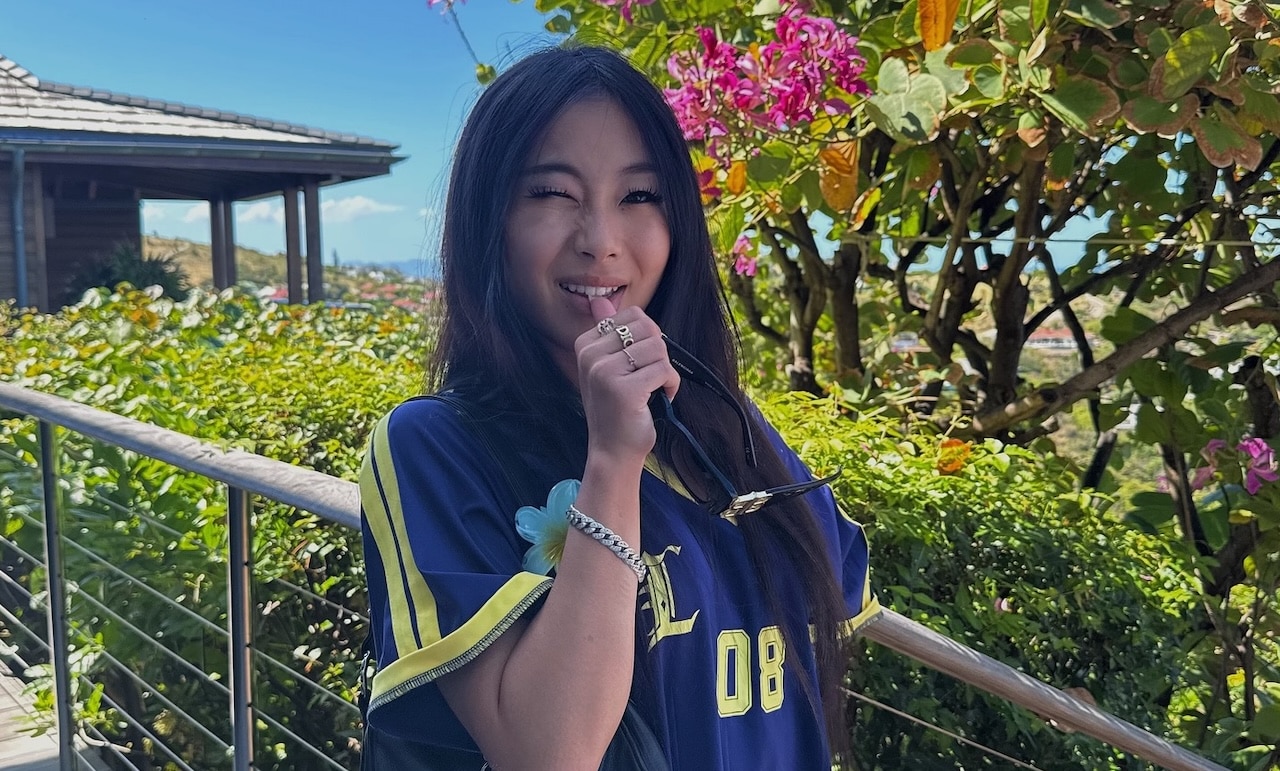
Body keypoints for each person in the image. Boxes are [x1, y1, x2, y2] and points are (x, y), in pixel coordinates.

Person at [359, 44, 879, 770]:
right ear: (488, 222)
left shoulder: (723, 425)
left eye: (639, 196)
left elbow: (839, 583)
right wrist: (611, 462)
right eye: (552, 194)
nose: (601, 243)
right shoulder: (434, 446)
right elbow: (550, 754)